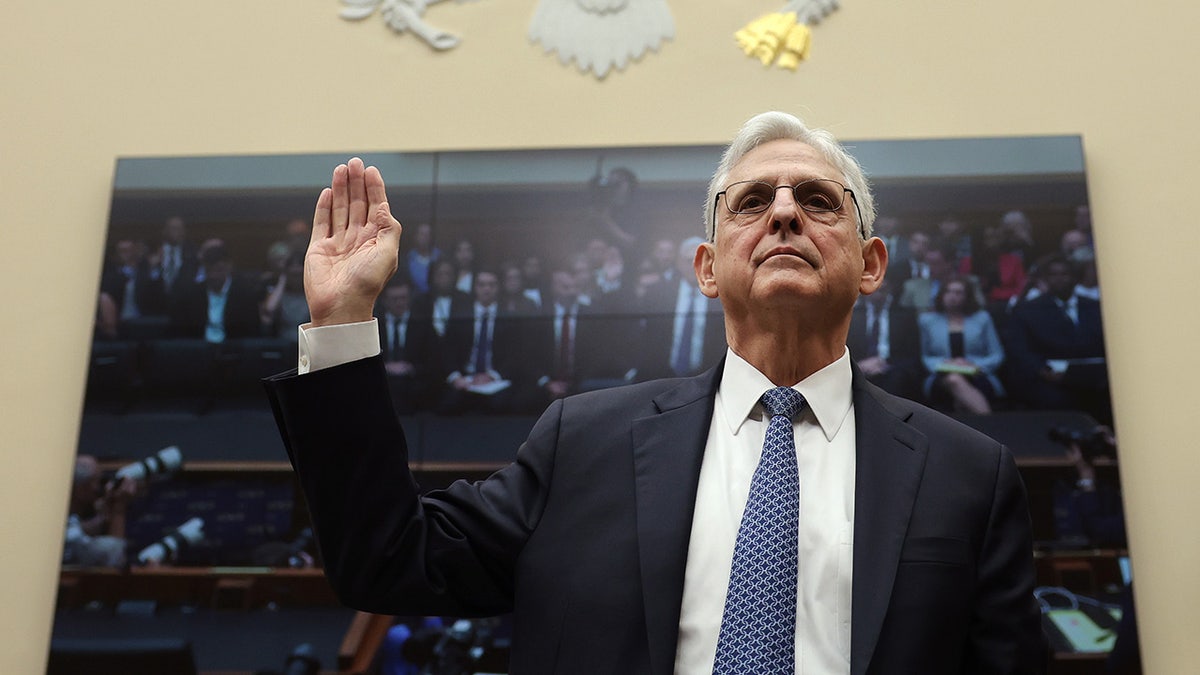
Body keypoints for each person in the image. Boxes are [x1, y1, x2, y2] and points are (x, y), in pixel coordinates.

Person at [264, 112, 1045, 674]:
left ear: (870, 264)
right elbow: (389, 560)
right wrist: (341, 324)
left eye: (816, 199)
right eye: (751, 201)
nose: (782, 213)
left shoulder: (967, 475)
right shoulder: (584, 441)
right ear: (706, 268)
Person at [918, 276, 1006, 414]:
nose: (952, 296)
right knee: (954, 379)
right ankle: (989, 423)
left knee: (959, 389)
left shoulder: (982, 318)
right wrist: (945, 364)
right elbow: (925, 355)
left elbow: (997, 354)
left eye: (958, 292)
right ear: (941, 294)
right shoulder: (927, 320)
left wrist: (973, 364)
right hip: (941, 375)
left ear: (967, 296)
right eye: (948, 291)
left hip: (978, 374)